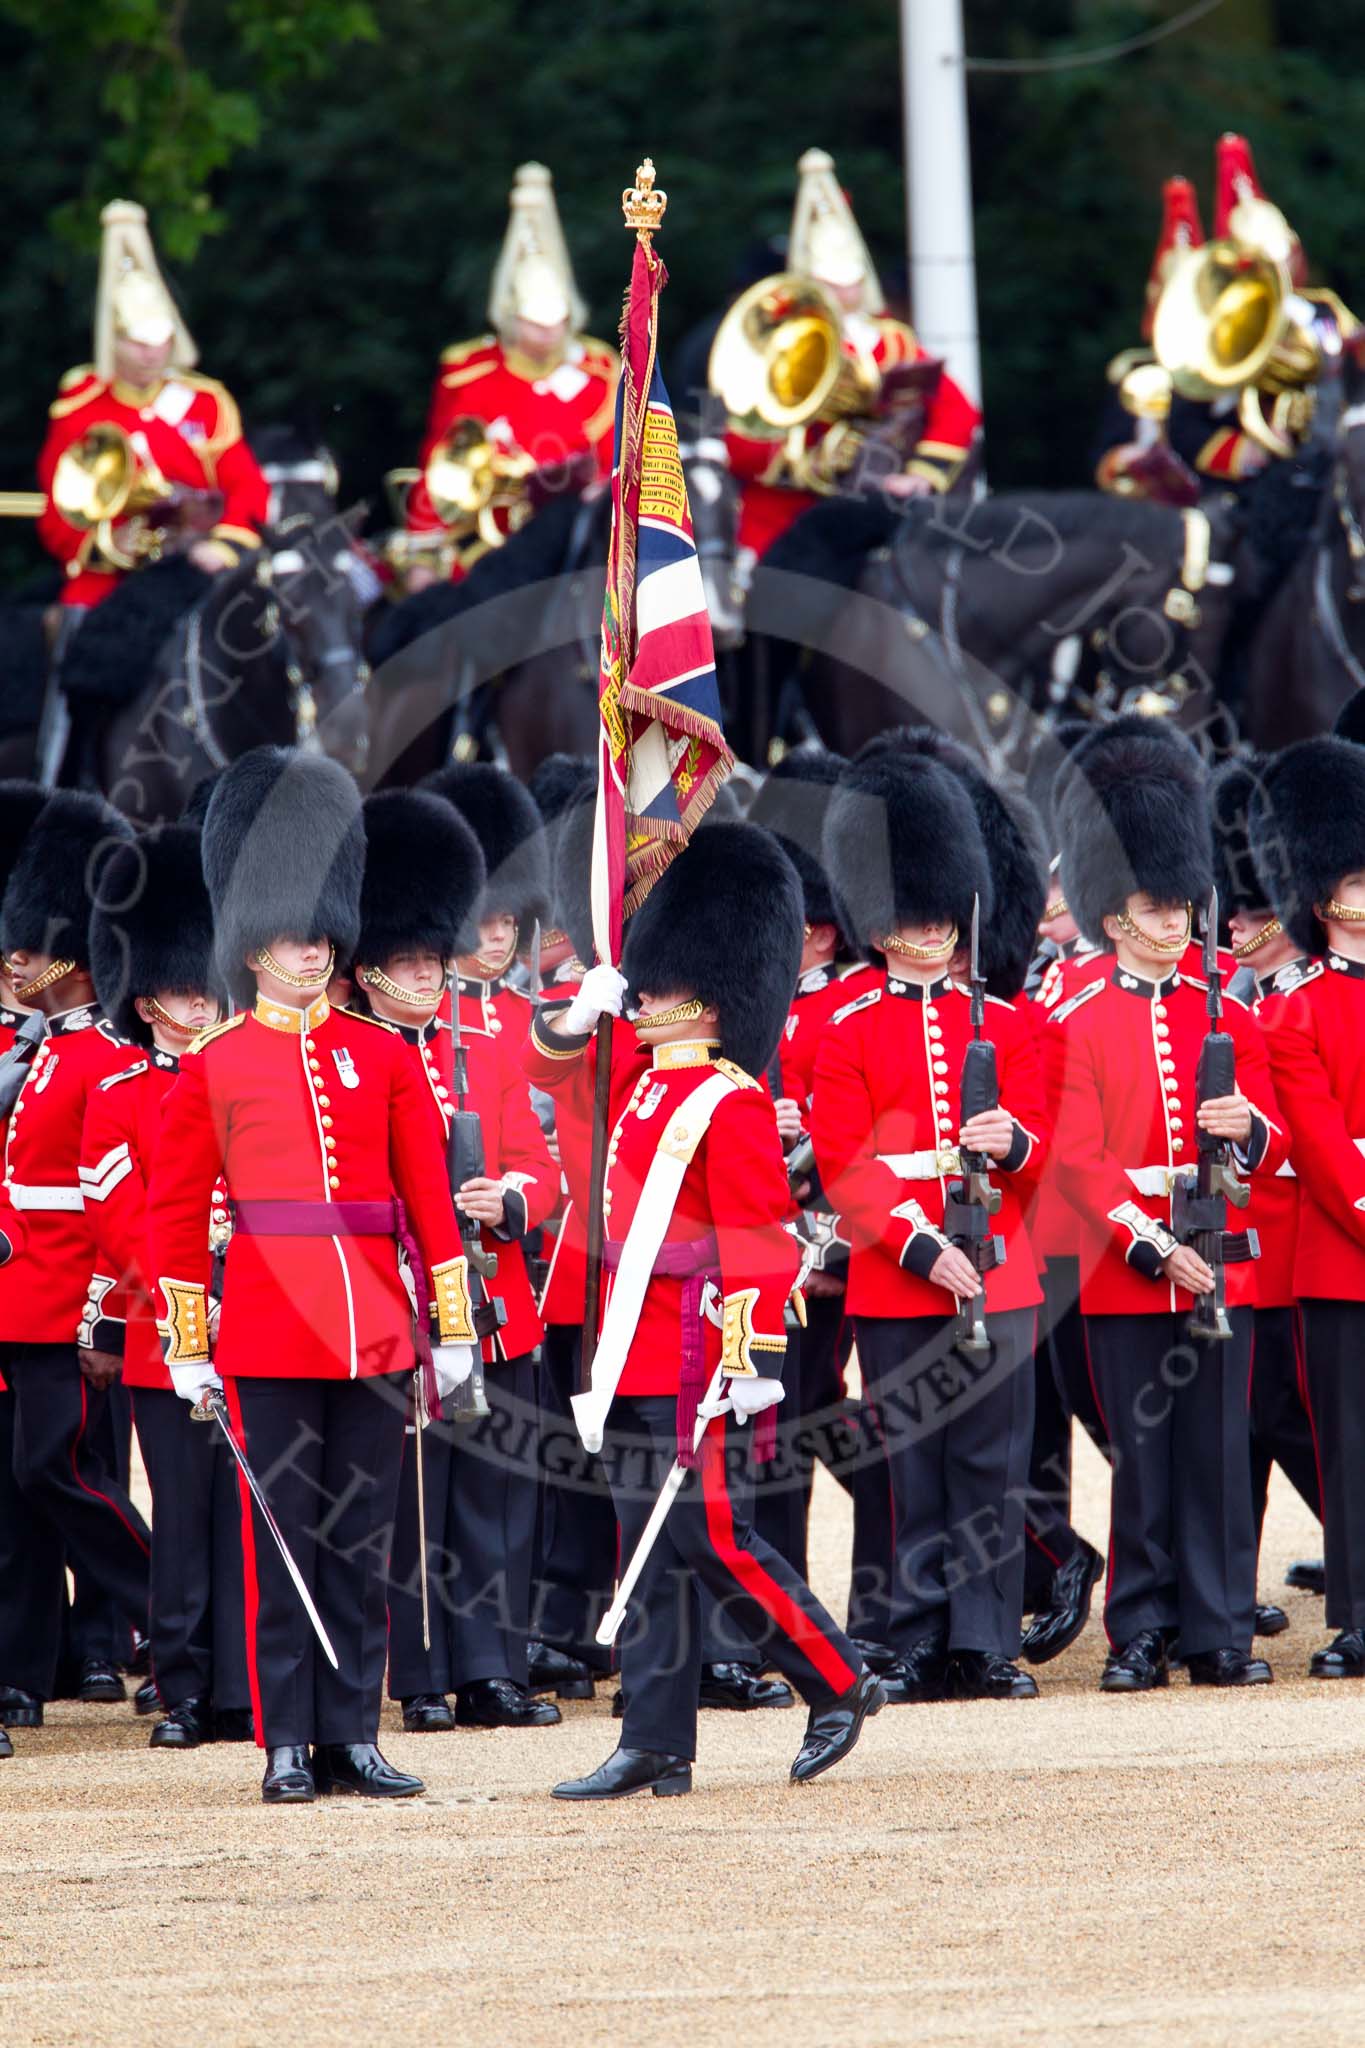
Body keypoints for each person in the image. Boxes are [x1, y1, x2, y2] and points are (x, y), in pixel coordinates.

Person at [525, 820, 883, 1798]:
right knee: (651, 1555)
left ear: (706, 998)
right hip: (631, 1347)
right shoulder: (638, 1085)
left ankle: (839, 1676)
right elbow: (547, 1070)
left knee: (713, 1536)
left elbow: (761, 1236)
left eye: (654, 987)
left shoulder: (725, 1101)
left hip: (691, 1347)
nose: (640, 998)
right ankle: (657, 1739)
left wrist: (741, 1358)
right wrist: (582, 1001)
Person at [147, 748, 474, 1804]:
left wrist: (455, 1323)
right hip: (268, 1325)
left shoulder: (385, 1055)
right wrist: (188, 1343)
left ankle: (351, 1732)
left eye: (322, 928)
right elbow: (170, 1214)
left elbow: (428, 1199)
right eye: (293, 930)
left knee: (362, 1535)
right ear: (253, 940)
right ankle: (286, 1735)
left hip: (377, 1324)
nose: (312, 945)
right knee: (281, 1539)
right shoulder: (216, 1061)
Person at [1052, 720, 1287, 1691]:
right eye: (1156, 908)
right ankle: (1141, 1627)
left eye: (1183, 904)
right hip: (1130, 1269)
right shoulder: (1084, 1020)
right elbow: (1080, 1159)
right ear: (1114, 917)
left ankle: (1218, 1625)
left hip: (1222, 1249)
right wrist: (1154, 1249)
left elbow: (1276, 1149)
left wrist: (1246, 1127)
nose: (1177, 921)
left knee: (1220, 1450)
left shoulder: (1228, 1013)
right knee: (1144, 1456)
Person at [812, 750, 1048, 1703]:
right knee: (913, 1462)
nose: (933, 929)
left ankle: (983, 1639)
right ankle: (911, 1634)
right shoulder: (846, 1029)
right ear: (879, 926)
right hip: (900, 1270)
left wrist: (1015, 1139)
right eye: (913, 916)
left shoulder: (1010, 1022)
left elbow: (1054, 1149)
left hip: (1001, 1262)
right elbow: (846, 1163)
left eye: (941, 912)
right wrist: (920, 1246)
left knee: (990, 1461)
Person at [350, 787, 560, 1732]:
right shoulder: (349, 1057)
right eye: (410, 960)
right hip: (397, 1301)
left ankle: (492, 1668)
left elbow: (542, 1169)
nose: (430, 975)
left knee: (493, 1497)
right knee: (412, 1505)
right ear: (368, 970)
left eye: (434, 959)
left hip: (494, 1298)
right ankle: (421, 1675)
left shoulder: (486, 1042)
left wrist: (507, 1199)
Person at [80, 822, 252, 1749]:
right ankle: (183, 1686)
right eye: (185, 992)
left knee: (242, 1514)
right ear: (149, 1003)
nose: (200, 1005)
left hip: (256, 1322)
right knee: (183, 1517)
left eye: (206, 987)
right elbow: (118, 1219)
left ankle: (239, 1688)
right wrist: (193, 1290)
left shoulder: (245, 1078)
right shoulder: (115, 1095)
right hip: (167, 1331)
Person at [0, 790, 152, 1719]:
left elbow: (107, 1203)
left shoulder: (102, 1057)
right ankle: (21, 1671)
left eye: (27, 946)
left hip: (67, 1302)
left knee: (60, 1471)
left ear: (69, 954)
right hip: (19, 1298)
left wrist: (102, 1313)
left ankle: (172, 1612)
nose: (13, 960)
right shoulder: (50, 1052)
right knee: (17, 1494)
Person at [1249, 735, 1365, 1679]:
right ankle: (1358, 1614)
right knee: (1349, 1442)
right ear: (1323, 898)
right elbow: (1321, 1145)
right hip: (1341, 1249)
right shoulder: (1294, 1008)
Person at [720, 148, 981, 565]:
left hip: (886, 499)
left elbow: (957, 411)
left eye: (851, 281)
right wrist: (811, 464)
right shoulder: (782, 346)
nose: (844, 293)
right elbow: (742, 441)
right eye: (831, 283)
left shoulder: (895, 342)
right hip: (792, 512)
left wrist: (919, 474)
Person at [1210, 756, 1321, 1637]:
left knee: (1288, 1417)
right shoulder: (1250, 1003)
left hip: (1296, 1243)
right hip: (1252, 1249)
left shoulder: (1294, 1005)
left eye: (1253, 912)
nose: (1240, 925)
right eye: (1235, 911)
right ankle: (1227, 1587)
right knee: (1246, 1424)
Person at [37, 200, 267, 610]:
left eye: (160, 340)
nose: (151, 354)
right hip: (115, 579)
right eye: (138, 342)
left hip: (201, 561)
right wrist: (109, 547)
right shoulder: (79, 408)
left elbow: (245, 484)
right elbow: (59, 512)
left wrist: (224, 543)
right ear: (114, 339)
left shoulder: (206, 402)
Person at [402, 163, 618, 587]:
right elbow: (441, 466)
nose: (548, 333)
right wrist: (424, 547)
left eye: (556, 322)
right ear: (512, 317)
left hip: (583, 539)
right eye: (536, 323)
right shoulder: (469, 376)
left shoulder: (601, 372)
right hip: (489, 541)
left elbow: (617, 456)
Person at [424, 761, 550, 1044]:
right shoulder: (425, 1016)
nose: (499, 935)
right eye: (484, 921)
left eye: (507, 920)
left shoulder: (534, 1014)